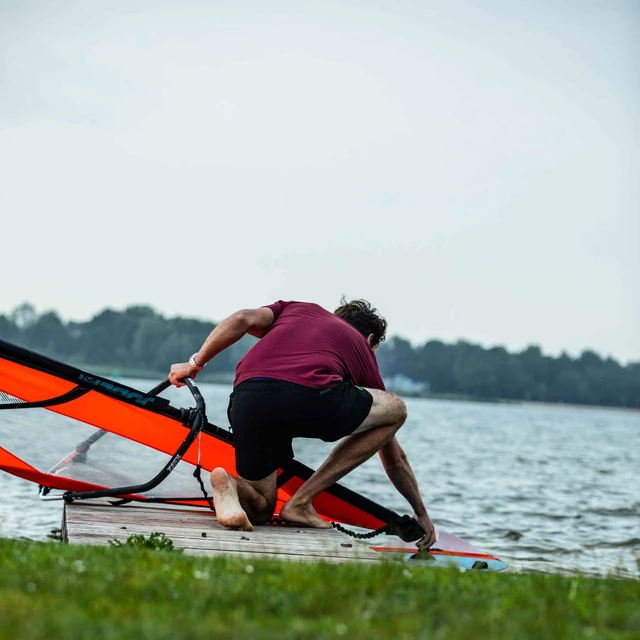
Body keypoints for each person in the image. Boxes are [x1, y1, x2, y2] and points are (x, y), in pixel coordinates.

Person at [168, 299, 437, 548]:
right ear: (369, 339)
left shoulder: (294, 309)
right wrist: (421, 513)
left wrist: (194, 364)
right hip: (308, 395)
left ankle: (230, 484)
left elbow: (241, 319)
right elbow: (393, 457)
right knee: (396, 409)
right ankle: (301, 502)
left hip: (247, 399)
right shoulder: (359, 345)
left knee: (261, 508)